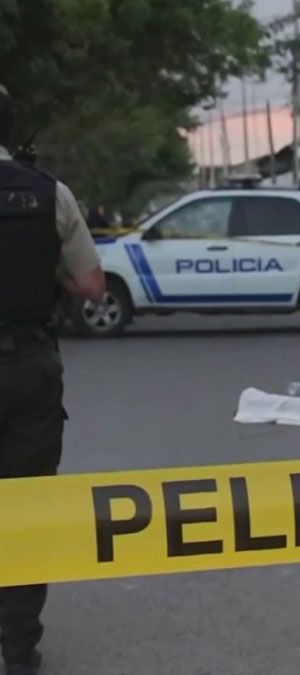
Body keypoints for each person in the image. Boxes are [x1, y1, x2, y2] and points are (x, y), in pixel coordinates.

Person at [0, 82, 106, 675]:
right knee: (26, 505)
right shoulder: (48, 193)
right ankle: (18, 648)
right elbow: (92, 286)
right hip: (28, 367)